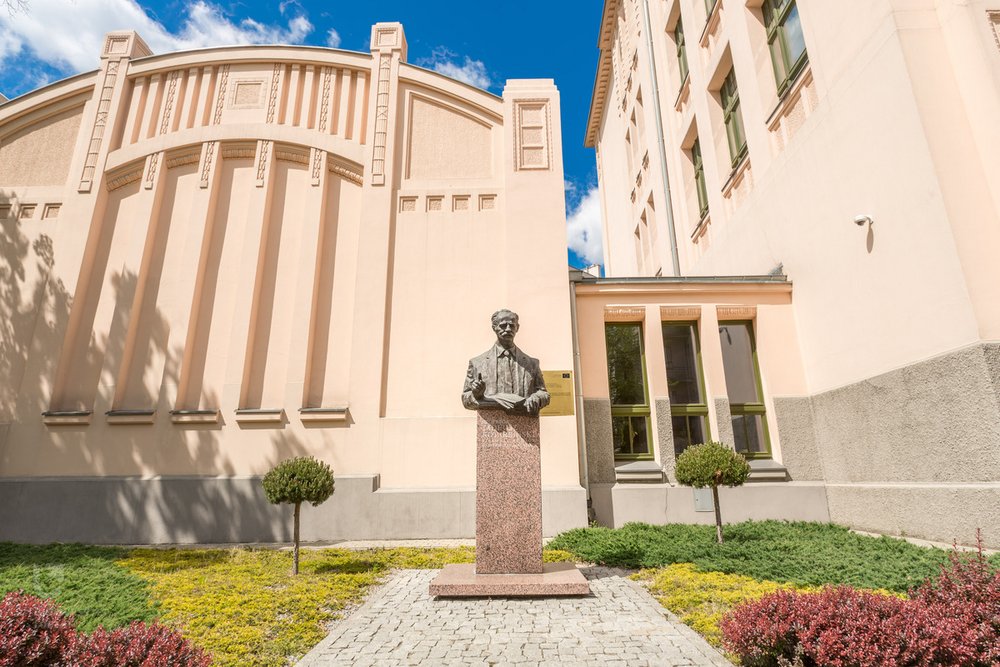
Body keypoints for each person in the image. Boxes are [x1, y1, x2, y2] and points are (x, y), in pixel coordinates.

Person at [461, 309, 550, 415]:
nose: (508, 329)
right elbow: (466, 398)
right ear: (494, 328)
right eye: (503, 325)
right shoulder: (477, 363)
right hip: (490, 420)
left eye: (512, 325)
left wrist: (537, 397)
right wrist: (477, 395)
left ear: (517, 328)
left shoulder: (532, 364)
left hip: (525, 418)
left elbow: (543, 393)